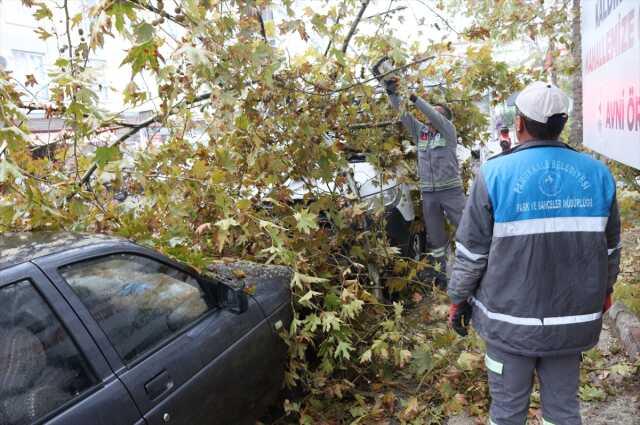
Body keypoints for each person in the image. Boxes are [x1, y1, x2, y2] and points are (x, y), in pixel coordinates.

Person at [447, 81, 621, 425]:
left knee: (507, 413)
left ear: (521, 124)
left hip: (508, 326)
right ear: (562, 124)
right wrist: (605, 292)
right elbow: (611, 250)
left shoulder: (494, 174)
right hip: (571, 326)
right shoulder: (599, 175)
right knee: (563, 412)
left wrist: (457, 298)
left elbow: (472, 252)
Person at [373, 58, 465, 287]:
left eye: (436, 113)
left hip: (451, 192)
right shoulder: (421, 133)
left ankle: (474, 270)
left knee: (466, 230)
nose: (430, 116)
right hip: (430, 195)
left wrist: (411, 94)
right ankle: (441, 275)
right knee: (436, 240)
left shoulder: (448, 130)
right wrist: (392, 91)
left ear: (443, 118)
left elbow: (432, 114)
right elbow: (402, 113)